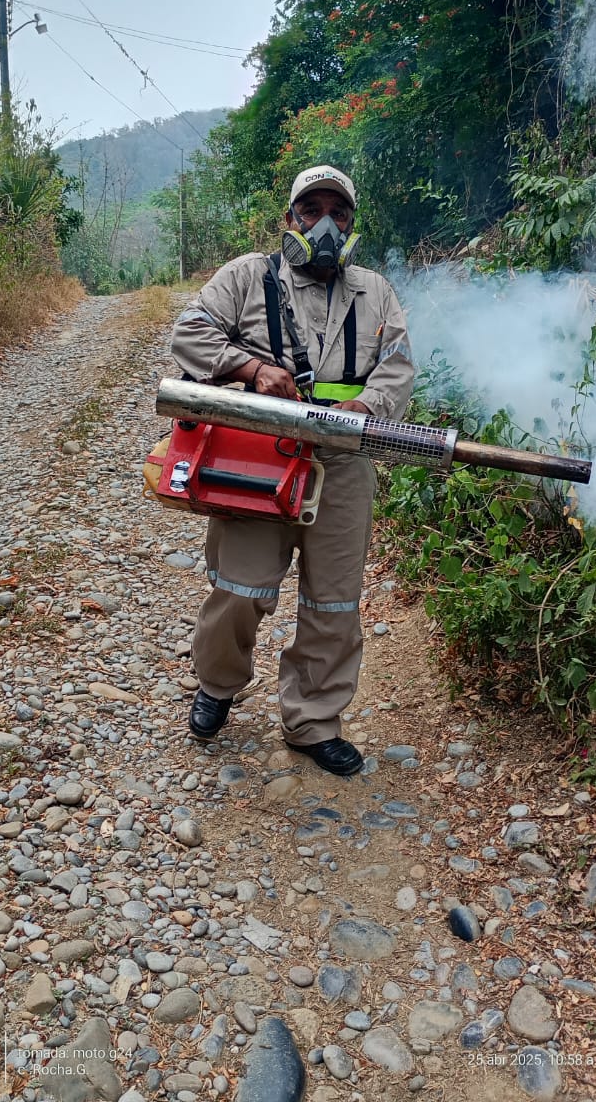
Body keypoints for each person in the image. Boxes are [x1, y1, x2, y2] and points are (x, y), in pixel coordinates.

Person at [169, 165, 414, 775]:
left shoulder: (376, 292)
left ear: (352, 224)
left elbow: (398, 366)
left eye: (339, 212)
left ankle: (311, 721)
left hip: (345, 460)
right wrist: (252, 370)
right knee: (239, 588)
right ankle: (218, 686)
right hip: (258, 459)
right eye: (312, 209)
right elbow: (189, 334)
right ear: (290, 218)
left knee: (335, 602)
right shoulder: (247, 277)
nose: (325, 223)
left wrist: (363, 407)